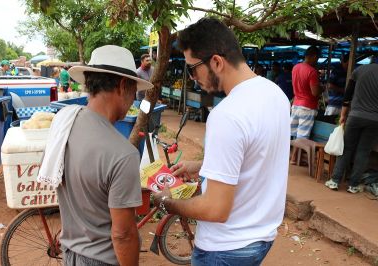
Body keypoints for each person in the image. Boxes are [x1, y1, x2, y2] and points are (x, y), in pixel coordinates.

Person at [153, 18, 290, 266]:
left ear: (216, 62)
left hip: (224, 249)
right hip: (260, 239)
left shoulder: (227, 115)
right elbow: (254, 156)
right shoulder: (275, 95)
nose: (192, 77)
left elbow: (215, 209)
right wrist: (201, 166)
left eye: (192, 68)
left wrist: (167, 202)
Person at [49, 45, 153, 265]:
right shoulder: (122, 154)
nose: (133, 99)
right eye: (134, 92)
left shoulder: (64, 121)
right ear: (124, 86)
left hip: (70, 254)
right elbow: (123, 234)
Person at [325, 62, 378, 193]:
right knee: (363, 152)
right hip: (374, 120)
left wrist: (343, 115)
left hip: (355, 116)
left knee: (347, 148)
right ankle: (353, 185)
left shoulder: (359, 70)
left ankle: (335, 181)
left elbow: (347, 95)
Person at [290, 46, 324, 164]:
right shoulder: (312, 71)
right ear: (314, 56)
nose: (317, 61)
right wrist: (322, 88)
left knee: (294, 134)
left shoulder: (295, 67)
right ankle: (294, 158)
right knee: (302, 135)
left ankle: (293, 157)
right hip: (307, 106)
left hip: (296, 104)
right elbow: (315, 92)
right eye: (317, 58)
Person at [324, 54, 349, 118]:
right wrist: (343, 90)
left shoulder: (350, 72)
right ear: (344, 62)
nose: (348, 66)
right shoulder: (336, 71)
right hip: (334, 105)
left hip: (344, 106)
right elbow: (329, 85)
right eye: (347, 64)